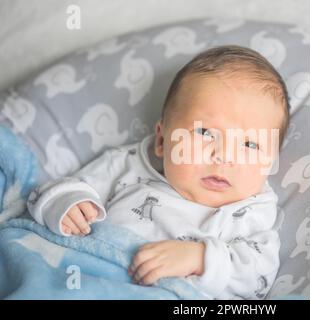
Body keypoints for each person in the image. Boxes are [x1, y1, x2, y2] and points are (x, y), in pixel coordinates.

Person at [27, 45, 291, 299]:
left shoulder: (251, 214)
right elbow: (60, 190)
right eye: (205, 132)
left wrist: (200, 259)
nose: (224, 156)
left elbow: (257, 277)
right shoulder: (126, 165)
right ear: (163, 140)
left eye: (249, 144)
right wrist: (66, 205)